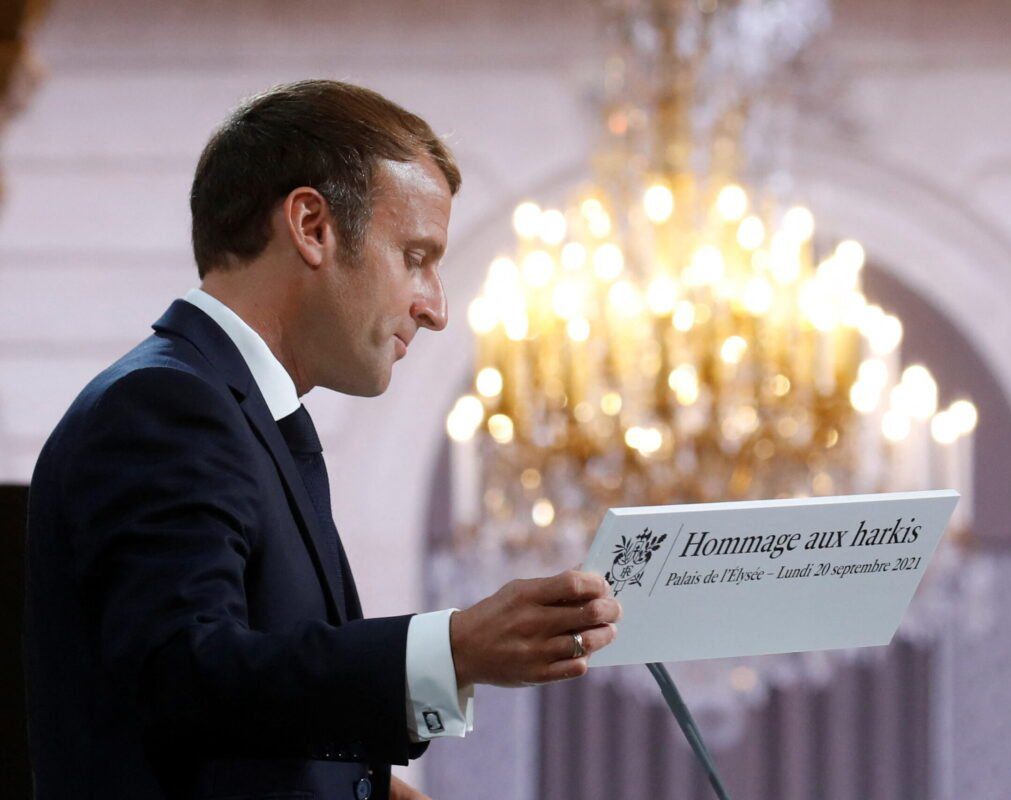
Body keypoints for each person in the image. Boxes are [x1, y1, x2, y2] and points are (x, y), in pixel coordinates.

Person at [22, 79, 621, 800]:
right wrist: (452, 649)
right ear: (310, 225)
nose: (435, 308)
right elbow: (181, 676)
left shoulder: (233, 410)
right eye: (416, 256)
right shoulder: (166, 404)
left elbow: (242, 713)